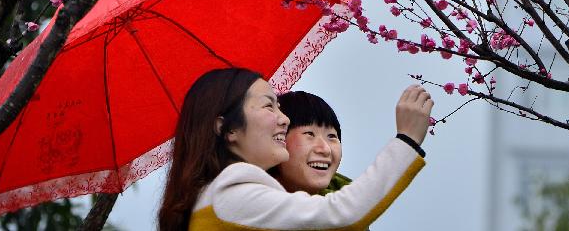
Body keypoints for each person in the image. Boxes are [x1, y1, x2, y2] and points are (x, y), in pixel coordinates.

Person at [157, 68, 433, 231]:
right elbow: (342, 213)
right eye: (268, 106)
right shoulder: (233, 190)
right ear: (228, 129)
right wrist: (406, 140)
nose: (284, 118)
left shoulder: (220, 193)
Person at [270, 91, 344, 195]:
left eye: (331, 136)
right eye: (309, 134)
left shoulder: (356, 203)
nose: (325, 149)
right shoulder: (248, 201)